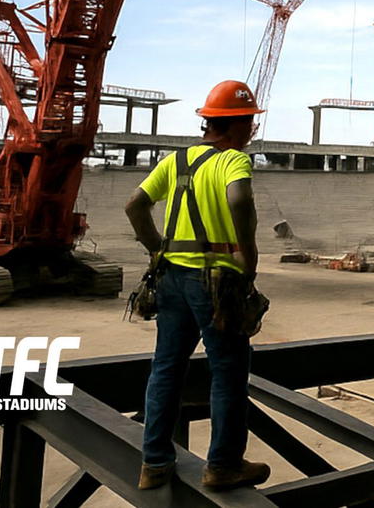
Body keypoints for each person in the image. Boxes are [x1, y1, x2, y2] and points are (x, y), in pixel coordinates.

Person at [125, 79, 268, 491]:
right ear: (237, 125)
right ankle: (223, 465)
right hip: (217, 283)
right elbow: (239, 200)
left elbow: (135, 204)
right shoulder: (234, 162)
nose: (252, 131)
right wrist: (248, 255)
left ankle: (154, 463)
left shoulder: (176, 161)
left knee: (167, 367)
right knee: (227, 372)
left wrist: (158, 248)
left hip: (171, 278)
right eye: (250, 123)